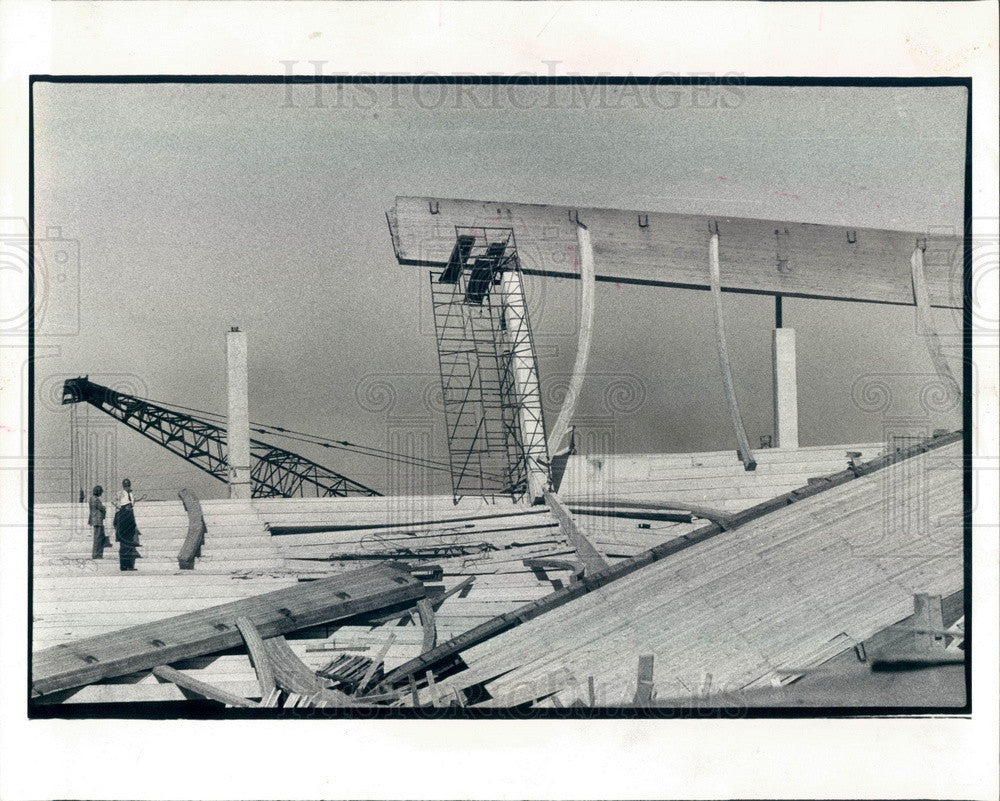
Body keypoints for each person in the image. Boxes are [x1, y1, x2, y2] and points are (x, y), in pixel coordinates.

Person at [113, 478, 142, 571]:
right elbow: (114, 501)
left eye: (128, 485)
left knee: (128, 545)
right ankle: (124, 565)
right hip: (124, 523)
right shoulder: (120, 494)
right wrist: (120, 507)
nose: (127, 487)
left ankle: (129, 565)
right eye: (126, 485)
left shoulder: (131, 495)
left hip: (128, 522)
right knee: (125, 545)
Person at [88, 485, 109, 559]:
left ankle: (96, 554)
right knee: (98, 538)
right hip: (98, 520)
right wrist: (104, 508)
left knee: (97, 538)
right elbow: (101, 508)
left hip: (94, 520)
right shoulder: (96, 500)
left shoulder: (91, 499)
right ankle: (97, 555)